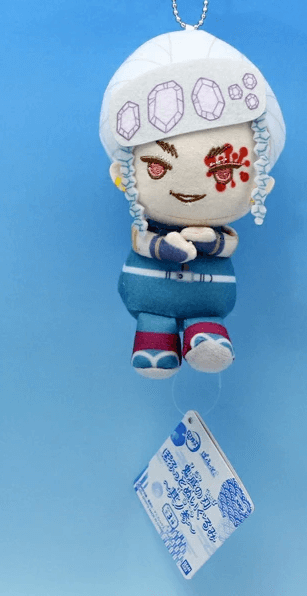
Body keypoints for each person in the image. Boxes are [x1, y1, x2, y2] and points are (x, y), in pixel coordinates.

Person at [99, 28, 285, 378]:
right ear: (121, 174)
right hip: (161, 290)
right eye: (157, 167)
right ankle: (155, 343)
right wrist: (166, 249)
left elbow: (227, 244)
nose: (189, 190)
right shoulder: (147, 230)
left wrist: (209, 241)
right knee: (153, 317)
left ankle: (207, 337)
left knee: (206, 318)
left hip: (208, 297)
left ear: (261, 184)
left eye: (224, 170)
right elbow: (142, 241)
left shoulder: (219, 234)